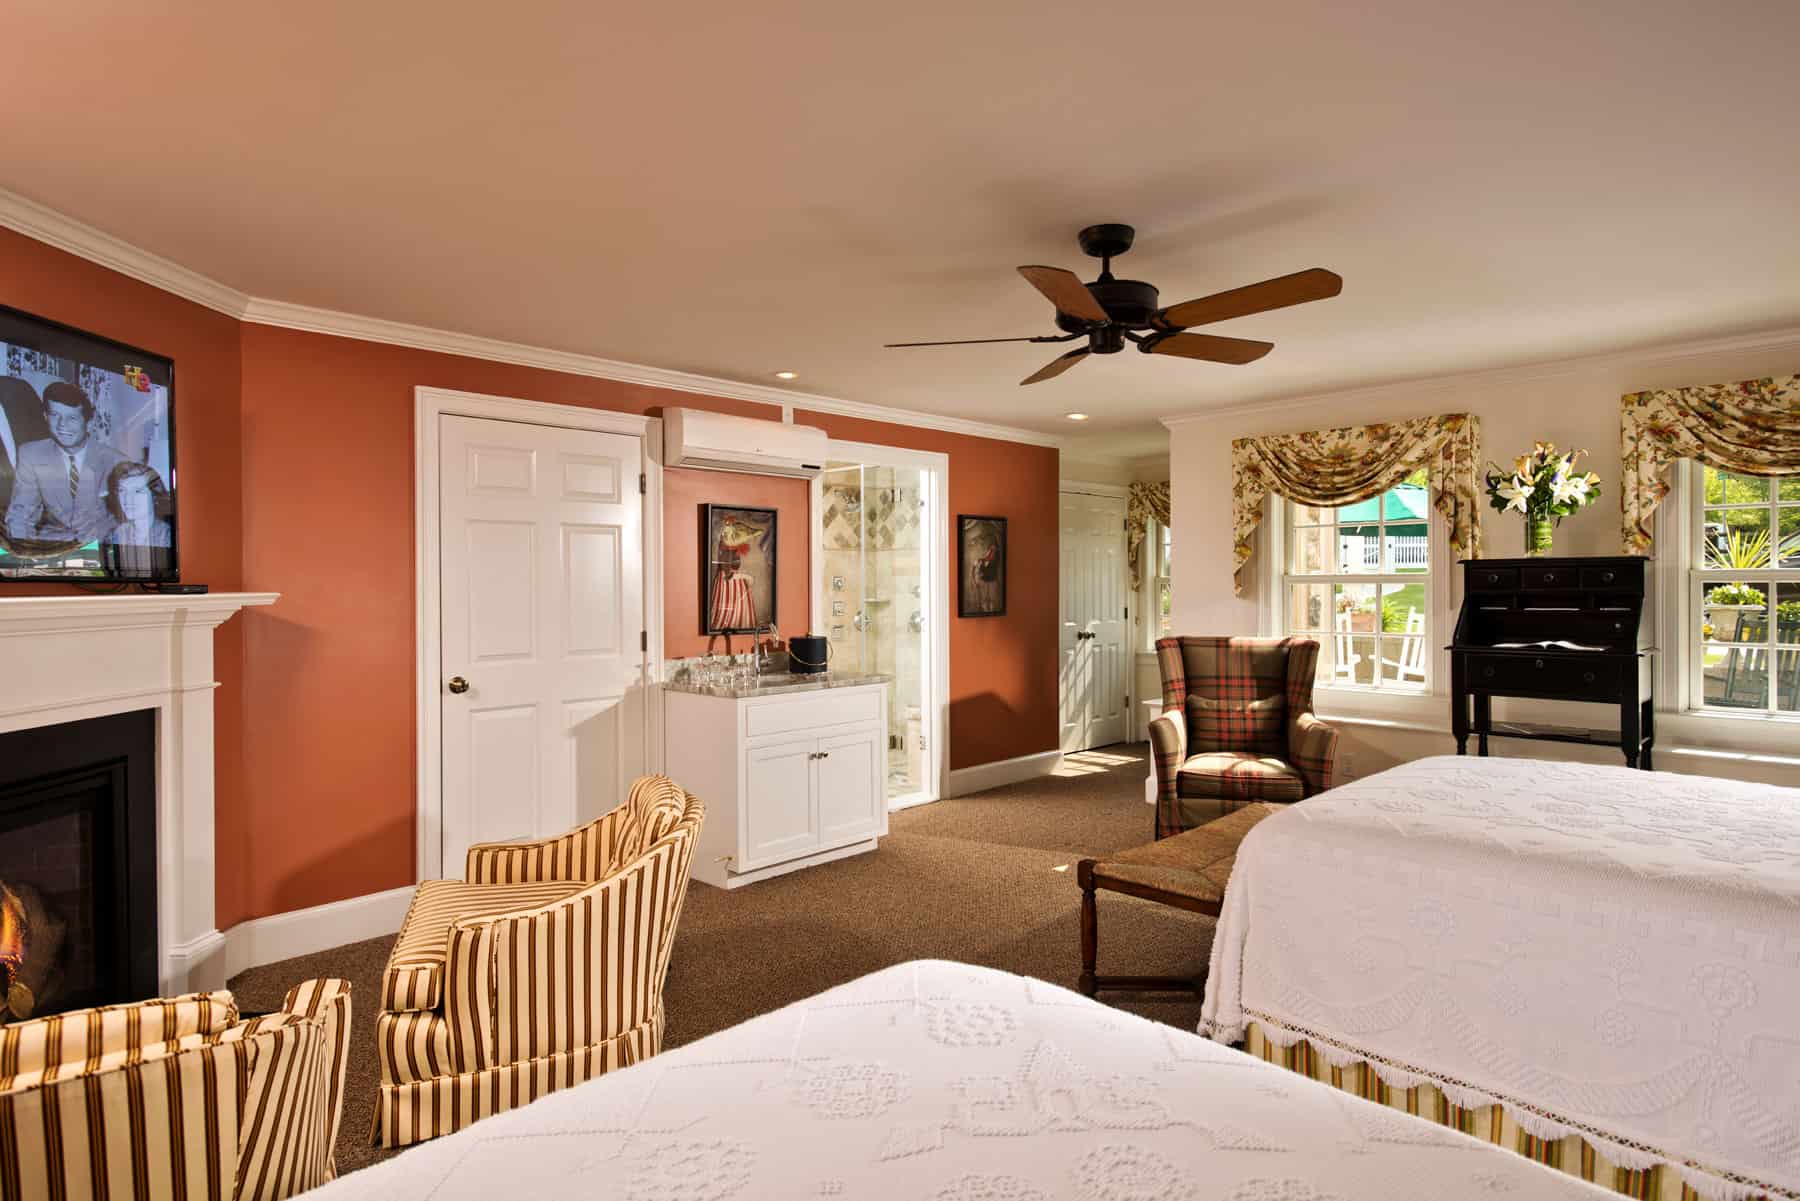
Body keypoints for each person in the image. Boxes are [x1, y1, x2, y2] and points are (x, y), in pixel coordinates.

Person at [3, 381, 128, 547]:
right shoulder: (31, 454)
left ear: (89, 422)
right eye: (55, 415)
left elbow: (128, 521)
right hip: (52, 550)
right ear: (46, 417)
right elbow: (22, 513)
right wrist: (23, 554)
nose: (62, 425)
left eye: (72, 418)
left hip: (102, 550)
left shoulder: (115, 461)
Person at [98, 461, 174, 577]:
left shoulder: (169, 536)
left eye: (137, 491)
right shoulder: (114, 536)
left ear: (155, 496)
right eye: (122, 491)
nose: (128, 500)